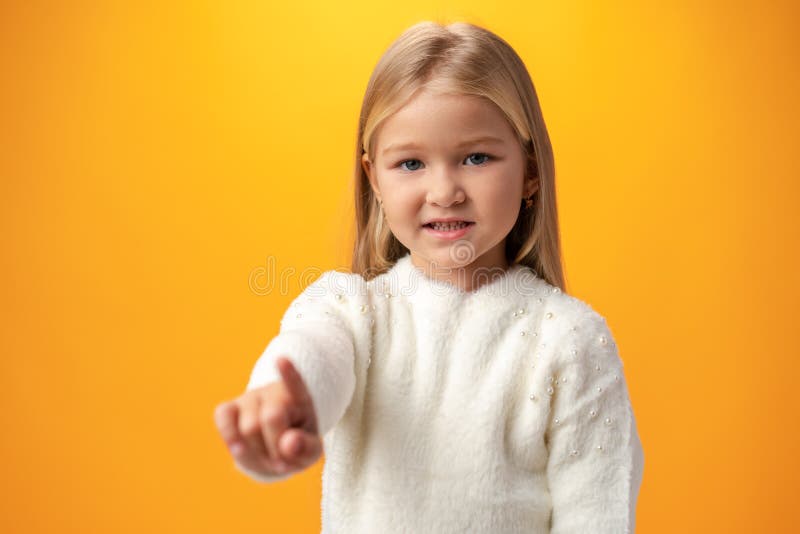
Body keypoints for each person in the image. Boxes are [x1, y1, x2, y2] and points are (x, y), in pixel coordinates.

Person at [214, 20, 644, 533]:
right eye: (411, 163)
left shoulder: (571, 341)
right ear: (374, 178)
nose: (444, 191)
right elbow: (311, 354)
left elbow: (596, 515)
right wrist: (282, 406)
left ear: (530, 170)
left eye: (476, 157)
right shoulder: (350, 311)